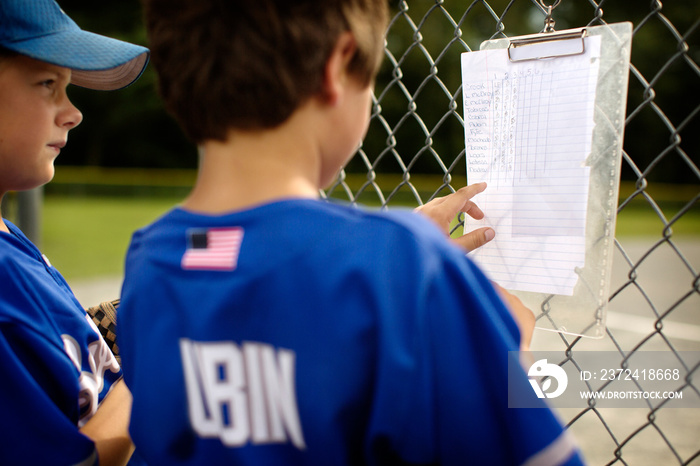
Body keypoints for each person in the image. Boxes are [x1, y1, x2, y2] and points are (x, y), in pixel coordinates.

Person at [118, 0, 583, 464]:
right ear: (338, 66)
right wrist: (506, 354)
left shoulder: (152, 258)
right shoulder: (405, 267)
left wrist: (390, 251)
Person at [0, 0, 149, 464]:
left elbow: (37, 346)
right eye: (48, 84)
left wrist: (121, 322)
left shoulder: (6, 235)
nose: (73, 113)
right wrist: (160, 359)